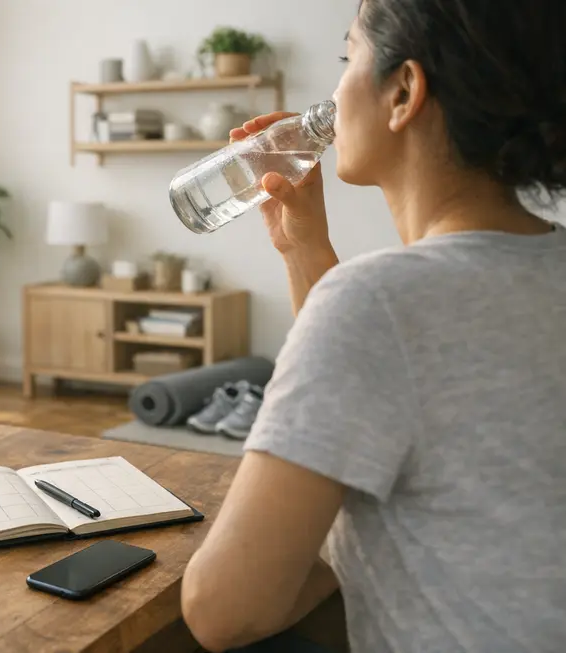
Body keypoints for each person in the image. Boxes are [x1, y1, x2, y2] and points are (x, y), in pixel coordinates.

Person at [180, 0, 566, 652]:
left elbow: (222, 609)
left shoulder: (378, 303)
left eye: (346, 57)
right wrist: (306, 251)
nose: (331, 92)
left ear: (404, 92)